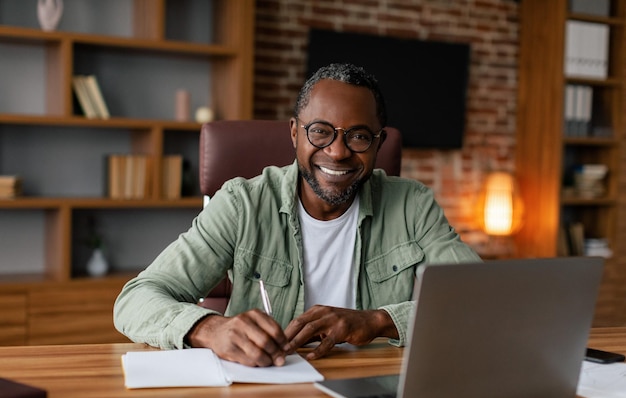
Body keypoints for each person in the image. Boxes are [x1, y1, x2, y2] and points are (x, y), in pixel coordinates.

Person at [113, 62, 481, 368]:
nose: (337, 152)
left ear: (379, 144)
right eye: (320, 132)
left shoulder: (412, 206)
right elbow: (137, 298)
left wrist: (378, 320)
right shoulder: (242, 204)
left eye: (358, 137)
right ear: (295, 133)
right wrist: (208, 328)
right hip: (265, 392)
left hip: (374, 389)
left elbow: (480, 300)